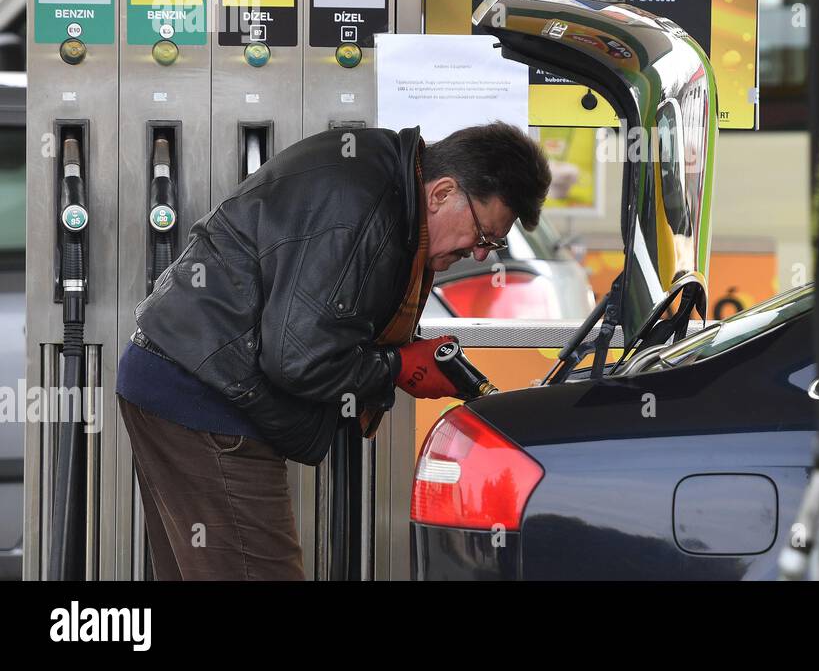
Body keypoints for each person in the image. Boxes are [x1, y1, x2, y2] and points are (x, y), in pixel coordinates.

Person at [116, 121, 551, 580]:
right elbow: (300, 360)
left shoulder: (382, 176)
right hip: (204, 400)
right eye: (483, 236)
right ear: (442, 192)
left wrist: (398, 356)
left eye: (494, 245)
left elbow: (321, 322)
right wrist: (396, 366)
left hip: (176, 375)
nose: (482, 255)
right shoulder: (366, 207)